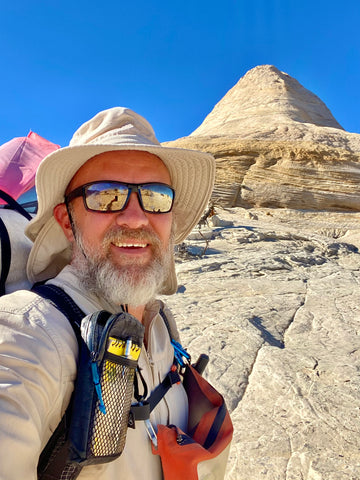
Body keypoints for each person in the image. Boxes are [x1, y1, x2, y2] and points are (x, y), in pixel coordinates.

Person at [0, 107, 216, 480]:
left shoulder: (162, 325)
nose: (135, 217)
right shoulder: (28, 333)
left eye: (156, 197)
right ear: (67, 221)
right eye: (105, 196)